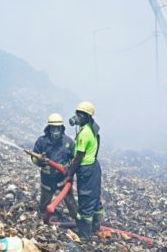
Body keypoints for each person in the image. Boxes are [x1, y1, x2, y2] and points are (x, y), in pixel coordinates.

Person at [62, 101, 103, 240]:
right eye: (77, 113)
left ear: (88, 116)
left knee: (85, 200)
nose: (77, 117)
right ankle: (96, 227)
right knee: (95, 199)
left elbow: (79, 157)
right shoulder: (93, 128)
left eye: (81, 115)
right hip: (94, 167)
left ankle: (84, 234)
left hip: (86, 170)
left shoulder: (84, 133)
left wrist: (69, 173)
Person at [32, 113, 77, 220]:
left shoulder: (68, 142)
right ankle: (43, 219)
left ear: (62, 128)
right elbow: (34, 158)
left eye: (58, 128)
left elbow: (75, 159)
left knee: (70, 202)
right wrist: (40, 161)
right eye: (53, 128)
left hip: (63, 180)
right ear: (49, 128)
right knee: (44, 202)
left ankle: (77, 220)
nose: (56, 130)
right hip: (47, 180)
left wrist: (68, 168)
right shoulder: (42, 141)